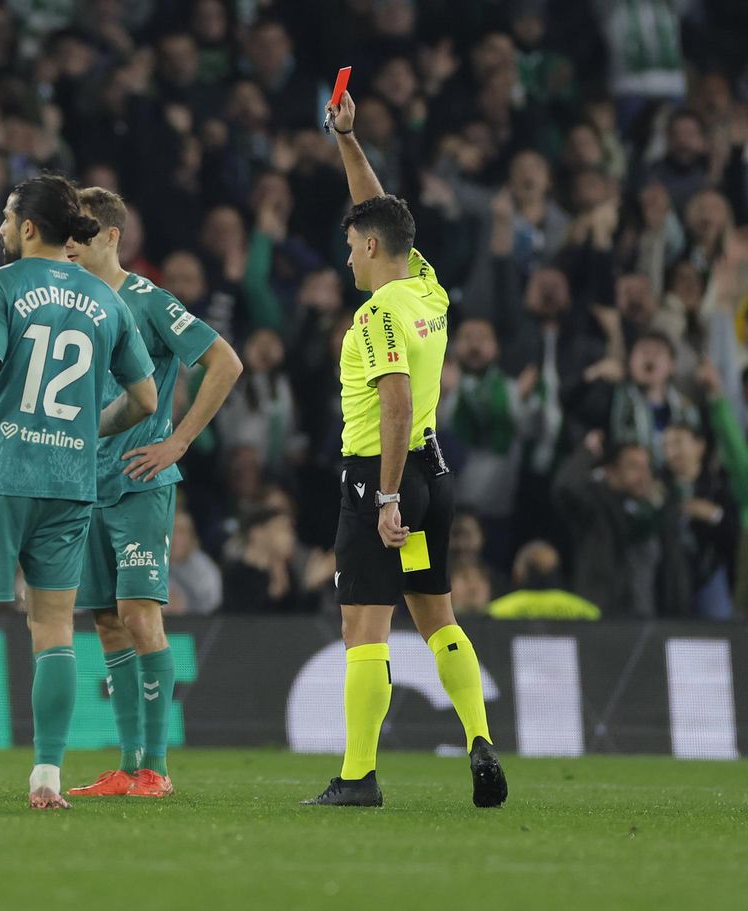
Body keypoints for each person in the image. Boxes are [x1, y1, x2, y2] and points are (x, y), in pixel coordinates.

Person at [0, 174, 158, 810]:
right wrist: (85, 432)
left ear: (26, 227)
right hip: (71, 484)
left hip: (0, 475)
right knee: (52, 627)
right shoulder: (108, 303)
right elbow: (147, 399)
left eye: (4, 217)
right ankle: (47, 778)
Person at [306, 92, 506, 809]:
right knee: (437, 615)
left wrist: (385, 498)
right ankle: (480, 735)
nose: (348, 254)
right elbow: (382, 212)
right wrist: (348, 141)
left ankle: (358, 775)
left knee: (364, 624)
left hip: (380, 479)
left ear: (366, 250)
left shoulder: (376, 314)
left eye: (352, 244)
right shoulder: (427, 290)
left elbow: (392, 404)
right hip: (435, 474)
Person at [62, 187, 242, 799]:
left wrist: (179, 441)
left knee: (140, 615)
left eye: (81, 236)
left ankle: (157, 769)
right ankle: (129, 763)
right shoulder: (71, 305)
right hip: (86, 483)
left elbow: (225, 362)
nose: (70, 246)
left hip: (141, 478)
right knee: (107, 622)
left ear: (112, 236)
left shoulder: (148, 300)